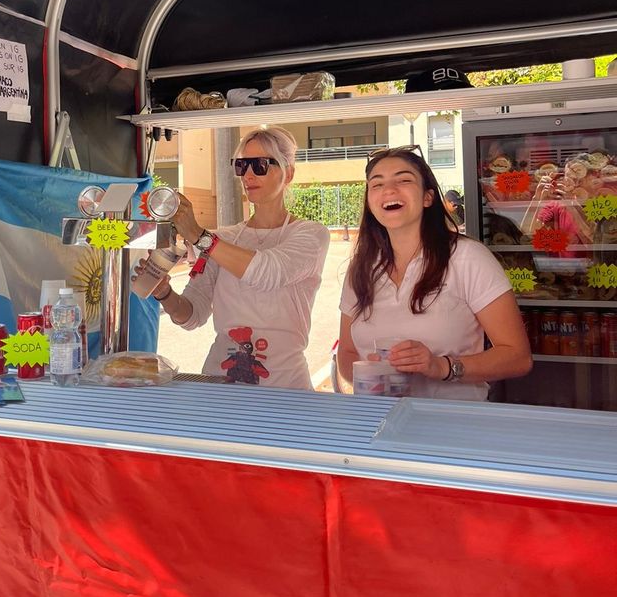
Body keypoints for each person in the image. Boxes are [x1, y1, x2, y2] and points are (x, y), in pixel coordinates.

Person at [134, 126, 330, 388]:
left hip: (286, 389)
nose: (248, 174)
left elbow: (268, 272)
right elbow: (193, 315)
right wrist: (164, 293)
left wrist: (200, 236)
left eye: (260, 164)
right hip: (221, 386)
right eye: (241, 165)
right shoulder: (224, 240)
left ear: (289, 173)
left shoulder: (311, 235)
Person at [336, 146, 532, 401]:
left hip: (452, 427)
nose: (389, 190)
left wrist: (442, 367)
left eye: (404, 180)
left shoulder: (467, 258)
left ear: (428, 197)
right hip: (380, 424)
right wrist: (373, 374)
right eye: (377, 184)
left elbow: (517, 356)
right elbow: (347, 353)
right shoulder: (361, 267)